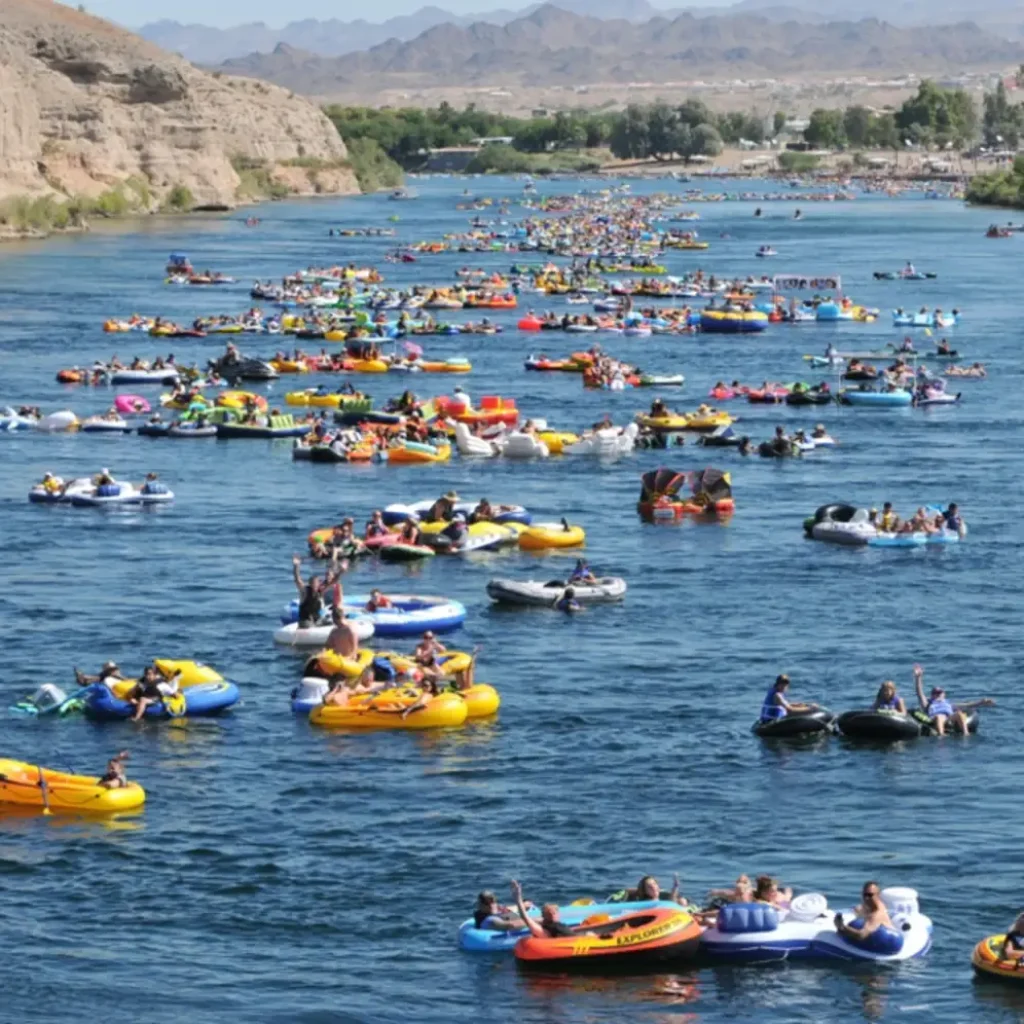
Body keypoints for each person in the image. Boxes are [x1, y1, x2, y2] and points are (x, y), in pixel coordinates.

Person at [913, 663, 994, 736]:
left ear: (944, 695)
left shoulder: (949, 705)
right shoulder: (928, 704)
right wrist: (918, 677)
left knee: (959, 713)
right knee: (939, 717)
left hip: (949, 719)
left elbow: (967, 705)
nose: (937, 694)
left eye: (939, 692)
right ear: (931, 696)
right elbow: (919, 692)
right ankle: (941, 735)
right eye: (934, 693)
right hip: (936, 718)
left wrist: (982, 702)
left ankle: (966, 733)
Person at [509, 879, 588, 939]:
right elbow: (526, 918)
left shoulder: (558, 926)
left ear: (558, 913)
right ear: (544, 916)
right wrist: (518, 899)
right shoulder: (545, 931)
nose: (552, 915)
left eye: (554, 912)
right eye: (549, 913)